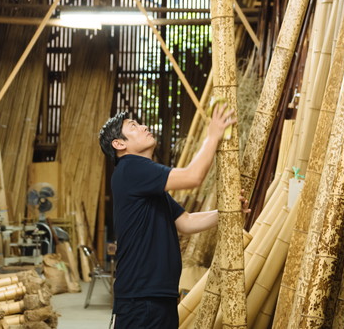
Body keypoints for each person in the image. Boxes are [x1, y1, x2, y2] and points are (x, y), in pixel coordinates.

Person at [98, 103, 243, 329]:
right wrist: (212, 136)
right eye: (134, 126)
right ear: (119, 144)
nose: (144, 127)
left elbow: (186, 222)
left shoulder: (146, 183)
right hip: (142, 298)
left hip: (157, 296)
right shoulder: (131, 168)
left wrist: (228, 212)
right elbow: (192, 177)